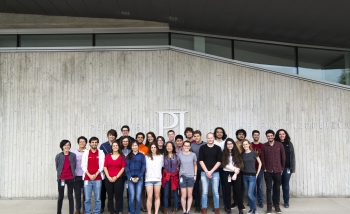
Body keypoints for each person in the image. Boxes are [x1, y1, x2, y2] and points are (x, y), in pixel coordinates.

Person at [260, 130, 285, 214]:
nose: (270, 137)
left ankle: (277, 206)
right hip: (268, 171)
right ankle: (269, 207)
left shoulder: (279, 145)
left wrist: (281, 168)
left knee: (277, 189)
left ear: (274, 136)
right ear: (267, 137)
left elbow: (283, 157)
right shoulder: (264, 146)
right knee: (269, 189)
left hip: (278, 170)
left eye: (271, 135)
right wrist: (264, 168)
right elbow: (262, 158)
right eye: (268, 136)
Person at [199, 132, 222, 214]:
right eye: (208, 138)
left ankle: (216, 208)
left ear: (214, 138)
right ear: (206, 138)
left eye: (211, 138)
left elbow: (219, 161)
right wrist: (207, 172)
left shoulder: (218, 148)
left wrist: (211, 172)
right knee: (204, 191)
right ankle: (204, 208)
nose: (210, 139)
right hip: (204, 173)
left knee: (215, 191)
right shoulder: (202, 148)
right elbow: (201, 161)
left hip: (215, 173)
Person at [82, 137, 106, 214]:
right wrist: (89, 175)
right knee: (87, 198)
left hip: (98, 178)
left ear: (97, 143)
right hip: (87, 178)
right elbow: (83, 165)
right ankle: (88, 212)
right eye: (92, 142)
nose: (94, 144)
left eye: (96, 142)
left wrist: (95, 174)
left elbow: (102, 165)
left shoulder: (101, 152)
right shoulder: (86, 152)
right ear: (89, 143)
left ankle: (97, 212)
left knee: (98, 198)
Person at [221, 138, 244, 214]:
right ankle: (228, 209)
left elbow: (239, 164)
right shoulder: (223, 153)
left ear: (233, 144)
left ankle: (240, 209)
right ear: (226, 145)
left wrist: (235, 174)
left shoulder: (237, 153)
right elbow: (224, 164)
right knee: (227, 192)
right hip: (226, 174)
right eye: (228, 144)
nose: (230, 145)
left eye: (231, 143)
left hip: (236, 174)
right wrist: (234, 170)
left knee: (238, 192)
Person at [274, 129, 295, 208]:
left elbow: (292, 157)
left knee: (285, 185)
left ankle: (286, 201)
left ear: (286, 135)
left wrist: (293, 168)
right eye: (280, 134)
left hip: (287, 168)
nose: (282, 135)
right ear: (277, 135)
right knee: (276, 185)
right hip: (277, 168)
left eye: (283, 134)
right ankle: (275, 201)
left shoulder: (289, 144)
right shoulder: (275, 144)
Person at [104, 141, 126, 214]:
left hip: (118, 179)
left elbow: (123, 168)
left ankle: (117, 212)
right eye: (114, 145)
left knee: (117, 197)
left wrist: (116, 177)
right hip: (108, 178)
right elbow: (105, 167)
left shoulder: (122, 156)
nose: (115, 147)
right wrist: (109, 177)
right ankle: (111, 212)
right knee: (110, 196)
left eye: (116, 145)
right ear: (112, 147)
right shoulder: (107, 156)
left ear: (119, 147)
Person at [56, 140, 76, 214]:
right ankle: (59, 212)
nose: (67, 146)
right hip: (61, 179)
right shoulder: (58, 156)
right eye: (65, 145)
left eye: (68, 145)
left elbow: (74, 166)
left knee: (70, 196)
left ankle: (71, 212)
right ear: (62, 146)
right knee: (60, 197)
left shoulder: (73, 155)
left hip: (71, 178)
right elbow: (57, 167)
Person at [100, 129, 118, 212]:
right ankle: (102, 206)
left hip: (115, 171)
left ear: (115, 136)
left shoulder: (118, 145)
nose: (111, 136)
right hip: (105, 171)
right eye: (110, 135)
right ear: (108, 136)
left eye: (113, 135)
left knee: (112, 191)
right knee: (103, 190)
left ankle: (110, 206)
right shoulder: (103, 145)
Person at [126, 141, 146, 214]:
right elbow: (126, 167)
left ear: (138, 146)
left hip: (139, 178)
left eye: (136, 145)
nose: (134, 147)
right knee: (131, 197)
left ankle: (137, 212)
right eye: (133, 146)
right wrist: (130, 177)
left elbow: (143, 167)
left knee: (138, 197)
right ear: (131, 147)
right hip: (130, 179)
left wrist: (139, 177)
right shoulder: (128, 156)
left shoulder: (142, 155)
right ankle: (132, 211)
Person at [241, 139, 262, 214]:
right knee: (248, 194)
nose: (245, 146)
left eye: (246, 144)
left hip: (252, 176)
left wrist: (257, 173)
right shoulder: (242, 154)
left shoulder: (254, 153)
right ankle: (251, 209)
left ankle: (254, 209)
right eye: (243, 145)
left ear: (249, 144)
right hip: (244, 175)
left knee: (250, 194)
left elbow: (260, 163)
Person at [178, 141, 197, 214]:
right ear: (183, 146)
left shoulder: (193, 155)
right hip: (182, 176)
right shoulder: (180, 155)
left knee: (189, 194)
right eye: (185, 146)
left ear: (190, 147)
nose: (186, 147)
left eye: (188, 146)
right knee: (183, 195)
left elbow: (195, 165)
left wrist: (195, 175)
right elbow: (177, 164)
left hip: (191, 176)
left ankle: (188, 210)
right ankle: (184, 210)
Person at [145, 142, 164, 214]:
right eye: (152, 147)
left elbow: (163, 166)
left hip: (157, 179)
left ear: (157, 148)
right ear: (150, 148)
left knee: (157, 196)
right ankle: (149, 212)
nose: (153, 149)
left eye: (155, 147)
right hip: (149, 179)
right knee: (149, 197)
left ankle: (156, 212)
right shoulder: (146, 157)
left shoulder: (160, 157)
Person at [190, 130, 207, 213]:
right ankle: (197, 205)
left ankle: (204, 205)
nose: (196, 138)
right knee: (196, 188)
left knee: (204, 189)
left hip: (204, 170)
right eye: (195, 136)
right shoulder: (192, 146)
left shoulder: (205, 144)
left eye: (198, 136)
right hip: (195, 170)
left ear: (201, 136)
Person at [162, 141, 179, 214]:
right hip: (166, 176)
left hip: (174, 176)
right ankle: (165, 208)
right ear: (166, 147)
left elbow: (179, 165)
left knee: (175, 193)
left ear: (173, 147)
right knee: (166, 193)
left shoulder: (177, 155)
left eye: (170, 146)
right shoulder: (163, 156)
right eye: (167, 146)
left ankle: (176, 207)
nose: (169, 147)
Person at [214, 127, 228, 210]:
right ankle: (217, 206)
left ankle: (226, 205)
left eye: (221, 132)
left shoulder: (226, 142)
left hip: (224, 168)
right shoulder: (213, 142)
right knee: (216, 188)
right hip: (215, 168)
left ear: (223, 133)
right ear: (215, 133)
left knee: (225, 187)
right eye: (217, 132)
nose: (219, 133)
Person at [73, 136, 87, 214]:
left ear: (86, 143)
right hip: (76, 176)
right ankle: (78, 209)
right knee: (77, 194)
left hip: (86, 176)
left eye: (83, 141)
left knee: (86, 194)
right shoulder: (74, 153)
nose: (82, 143)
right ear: (78, 143)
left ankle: (85, 210)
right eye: (80, 141)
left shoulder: (88, 152)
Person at [135, 132, 148, 212]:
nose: (140, 138)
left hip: (142, 171)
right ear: (136, 138)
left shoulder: (146, 148)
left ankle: (142, 205)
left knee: (142, 190)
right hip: (133, 172)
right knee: (134, 190)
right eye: (138, 137)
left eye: (141, 137)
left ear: (143, 139)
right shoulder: (133, 147)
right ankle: (135, 206)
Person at [251, 130, 264, 208]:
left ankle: (260, 201)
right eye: (254, 135)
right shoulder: (249, 145)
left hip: (260, 168)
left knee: (259, 185)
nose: (256, 136)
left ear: (259, 136)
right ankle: (252, 201)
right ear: (252, 136)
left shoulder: (262, 145)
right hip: (251, 169)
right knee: (252, 186)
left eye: (257, 135)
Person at [119, 136, 132, 214]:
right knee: (120, 192)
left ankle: (130, 210)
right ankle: (120, 209)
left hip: (129, 174)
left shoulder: (131, 151)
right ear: (121, 142)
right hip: (121, 174)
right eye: (124, 141)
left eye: (126, 141)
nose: (125, 142)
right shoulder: (119, 151)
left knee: (129, 192)